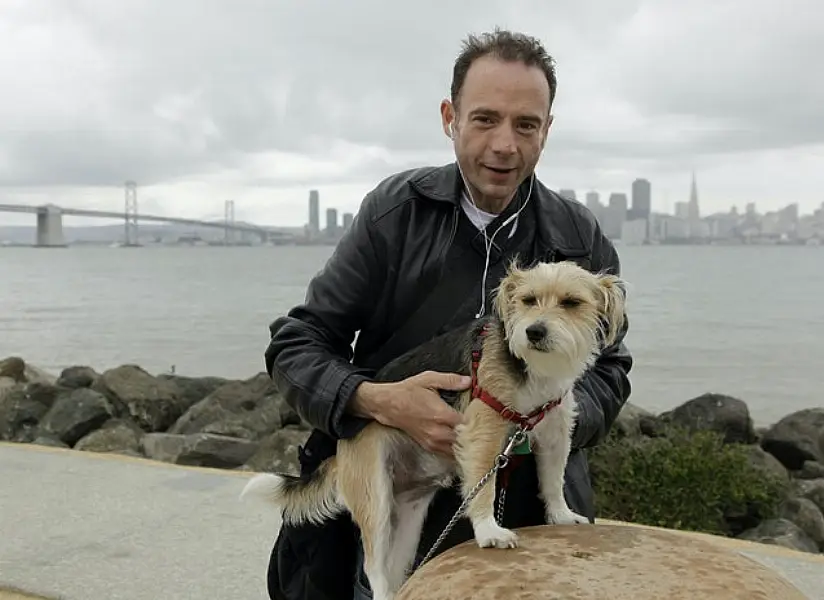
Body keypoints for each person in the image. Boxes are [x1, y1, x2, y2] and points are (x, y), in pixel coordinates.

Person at [263, 28, 633, 600]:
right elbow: (297, 344)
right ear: (449, 118)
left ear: (547, 131)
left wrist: (536, 423)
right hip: (396, 498)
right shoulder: (395, 214)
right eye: (484, 119)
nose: (505, 144)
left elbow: (612, 368)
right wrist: (373, 399)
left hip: (528, 516)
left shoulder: (580, 236)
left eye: (526, 124)